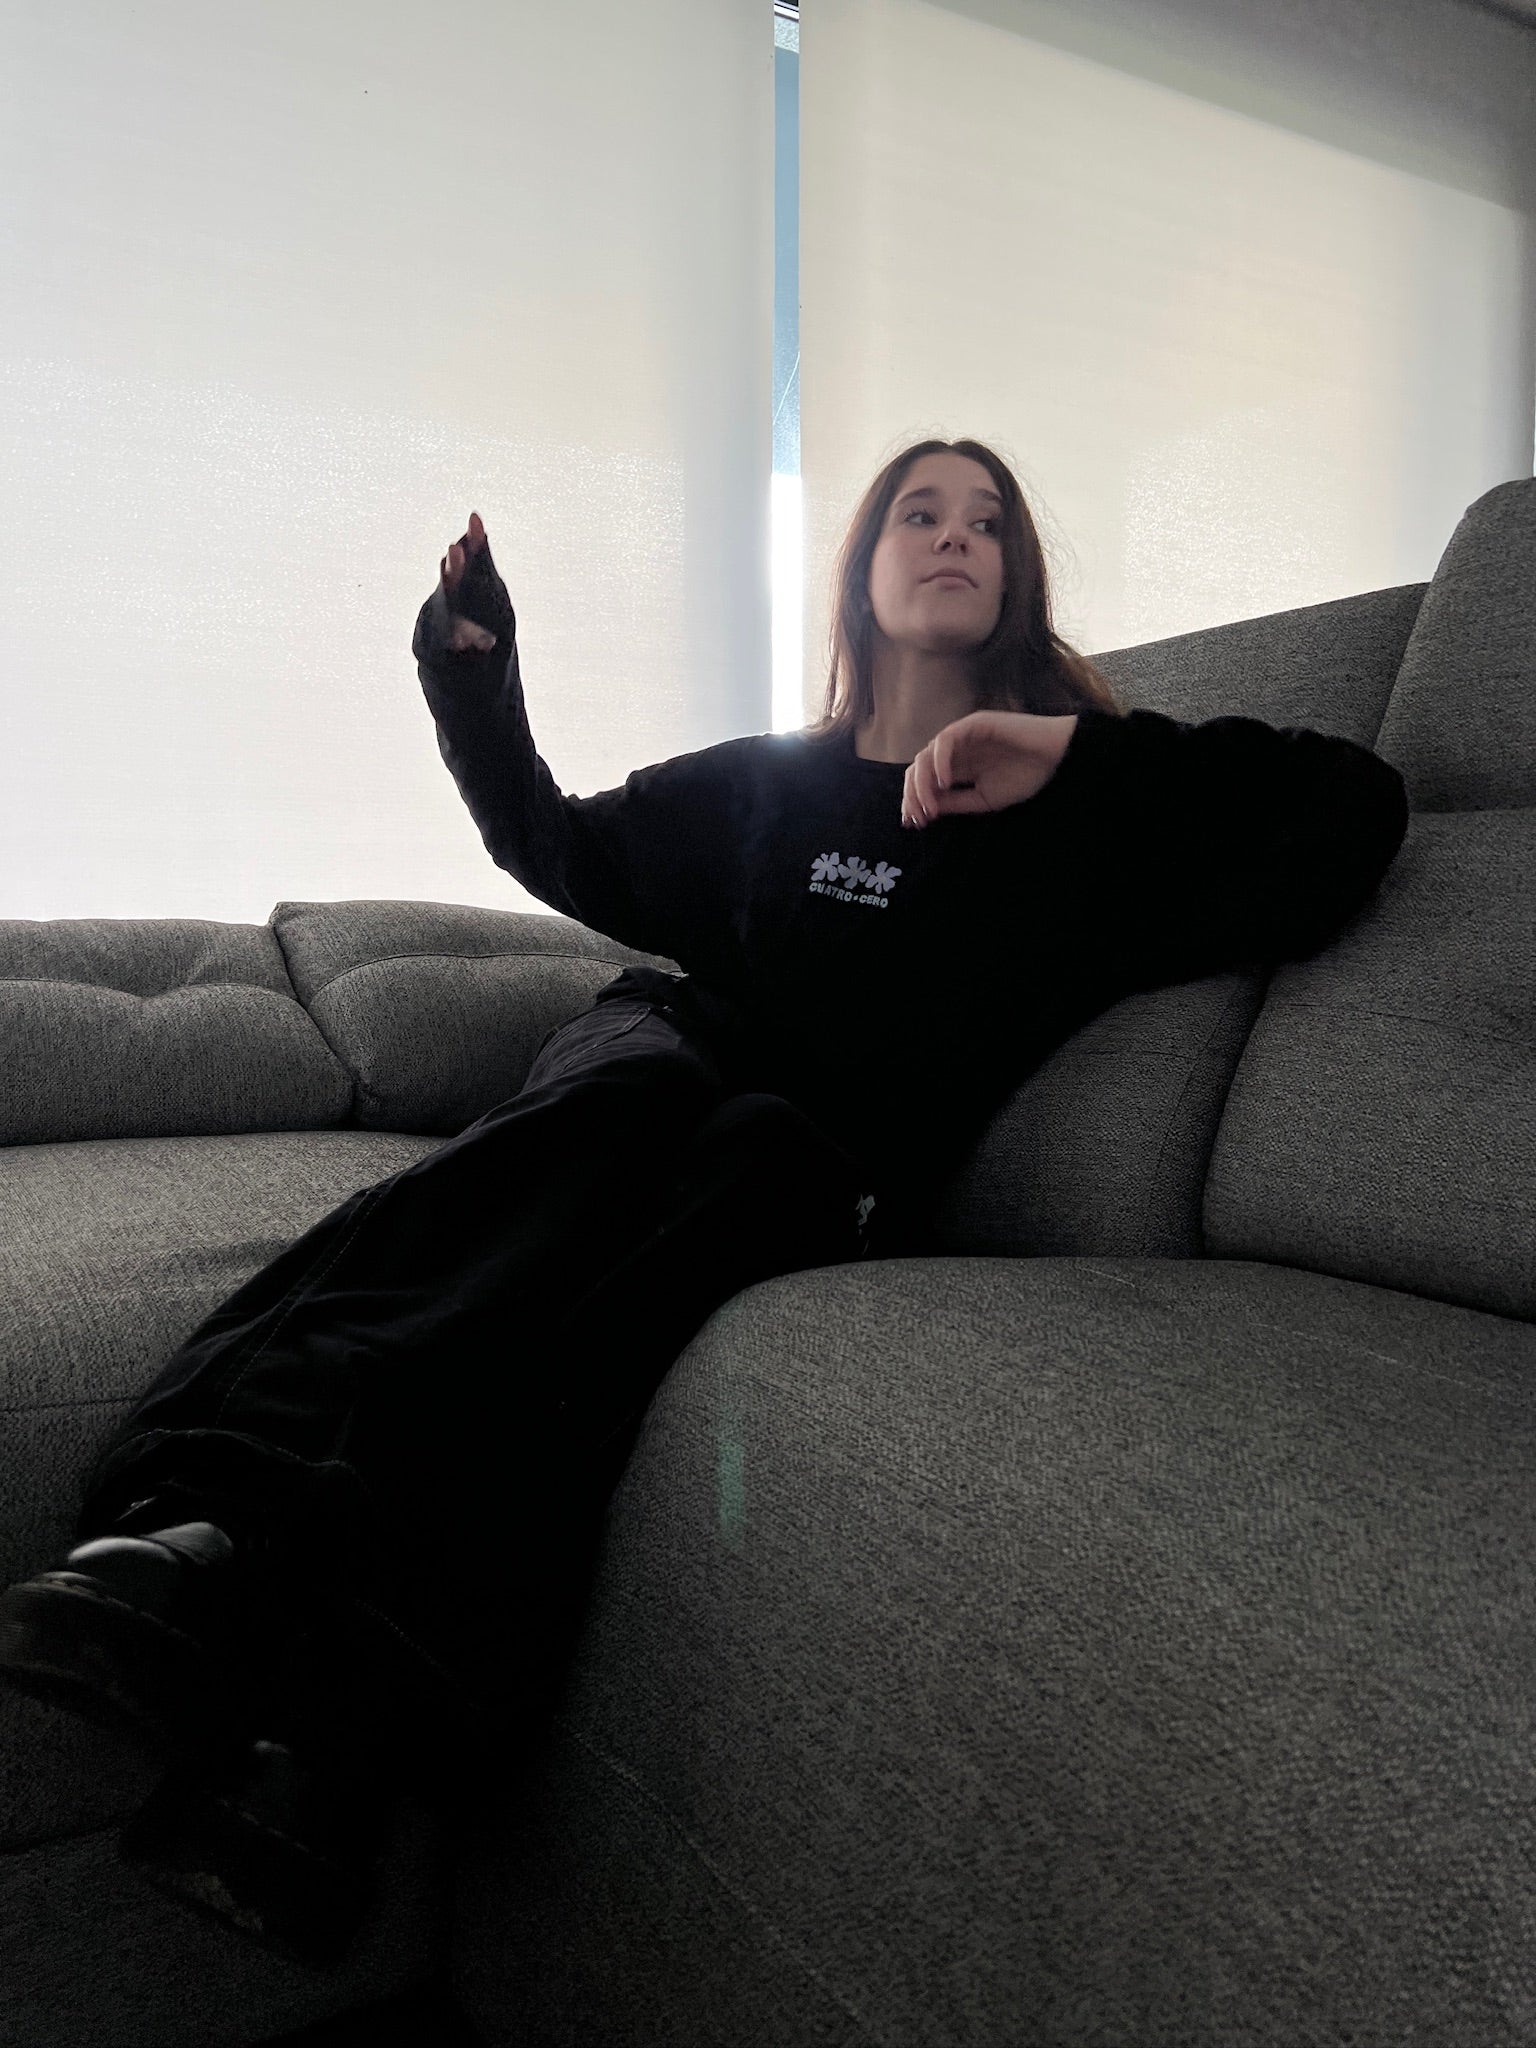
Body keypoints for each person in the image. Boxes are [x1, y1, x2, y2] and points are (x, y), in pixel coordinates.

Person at [0, 437, 1411, 1969]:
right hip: (654, 1061)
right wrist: (474, 679)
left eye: (988, 521)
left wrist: (1065, 755)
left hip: (814, 1157)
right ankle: (207, 1537)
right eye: (920, 513)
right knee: (617, 1122)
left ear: (1018, 577)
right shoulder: (763, 788)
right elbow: (553, 838)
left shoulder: (1083, 813)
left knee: (722, 1197)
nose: (956, 536)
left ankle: (314, 1723)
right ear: (863, 570)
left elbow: (1353, 813)